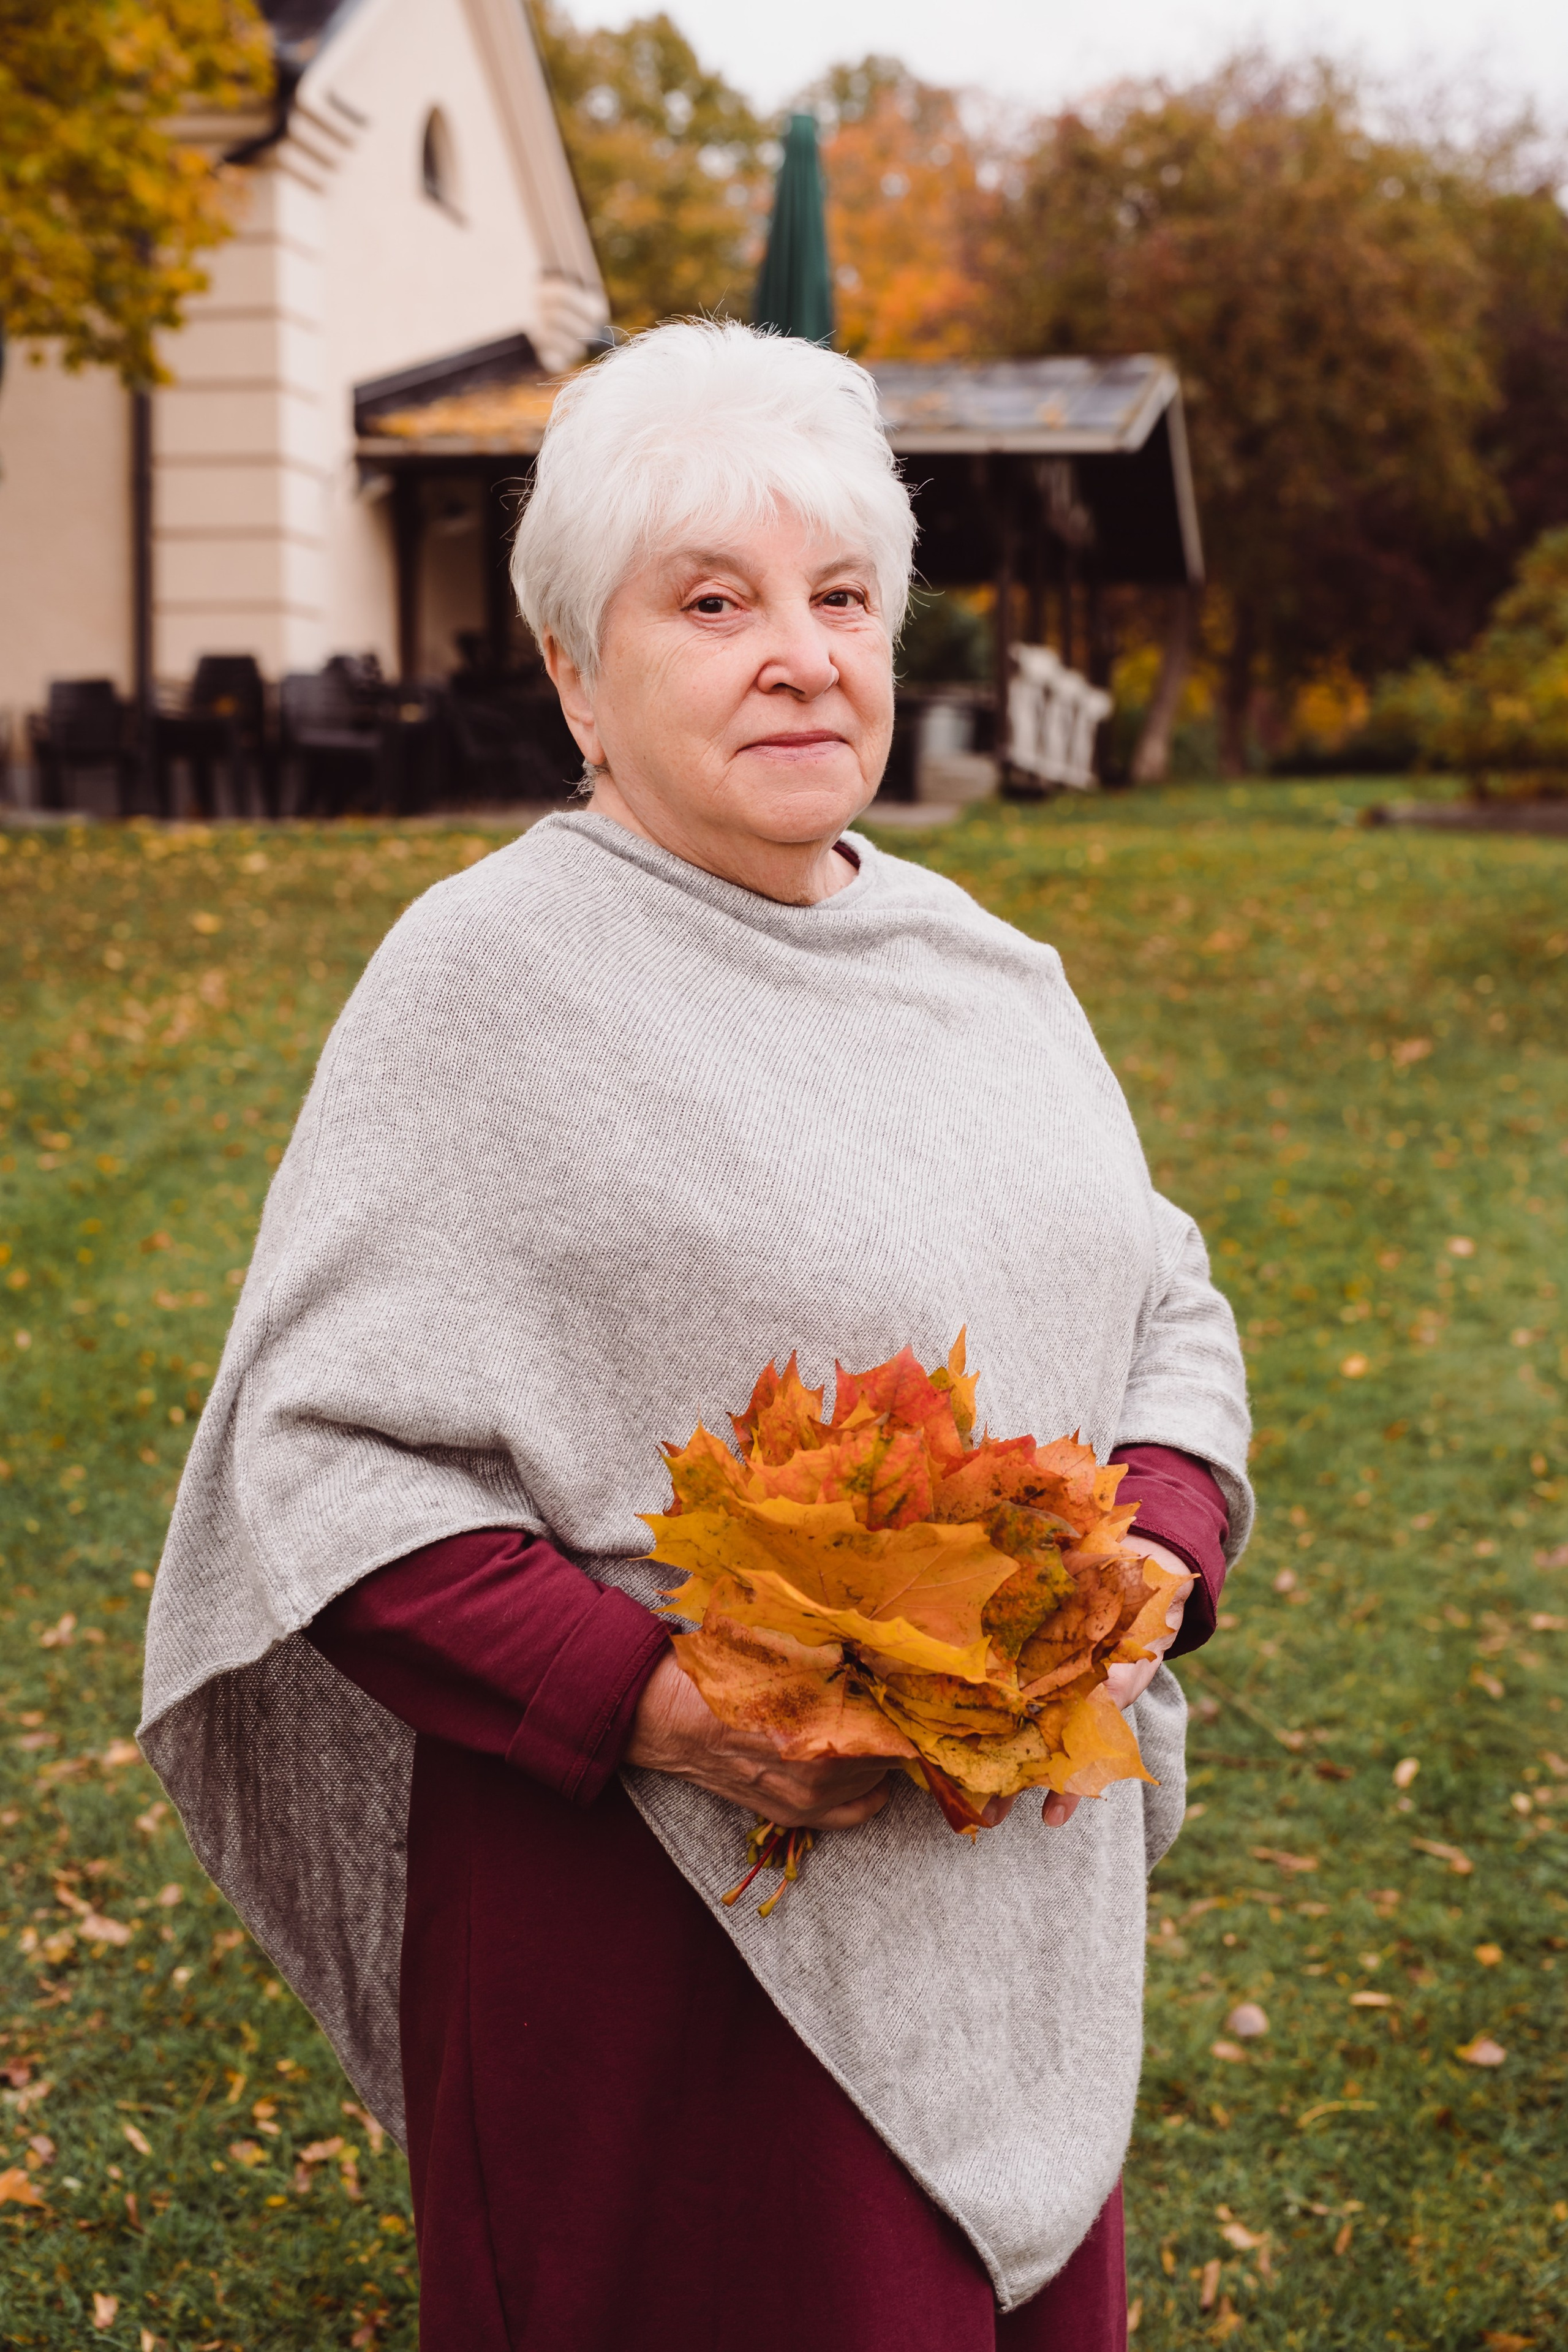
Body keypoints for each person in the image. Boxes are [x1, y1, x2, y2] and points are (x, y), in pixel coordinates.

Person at [141, 320, 1250, 2352]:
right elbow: (320, 1461)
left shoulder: (986, 972)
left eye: (843, 599)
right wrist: (665, 1705)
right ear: (575, 667)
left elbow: (1157, 1283)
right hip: (668, 1965)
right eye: (714, 601)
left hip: (1014, 1902)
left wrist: (1161, 1537)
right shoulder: (485, 982)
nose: (802, 653)